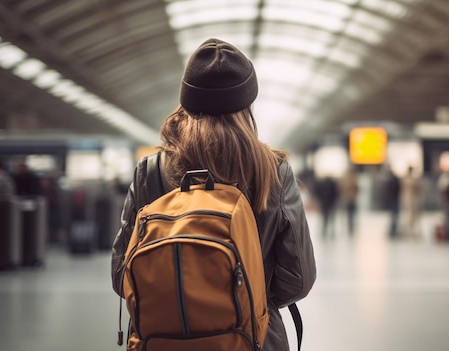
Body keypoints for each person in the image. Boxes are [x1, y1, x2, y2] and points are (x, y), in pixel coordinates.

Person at [110, 38, 316, 351]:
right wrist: (243, 295)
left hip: (163, 340)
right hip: (253, 339)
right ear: (247, 104)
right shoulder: (274, 171)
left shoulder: (150, 172)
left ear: (187, 102)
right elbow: (297, 279)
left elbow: (121, 275)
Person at [400, 165, 422, 239]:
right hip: (408, 200)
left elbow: (418, 189)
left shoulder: (413, 178)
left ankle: (412, 231)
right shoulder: (407, 178)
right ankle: (407, 232)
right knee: (408, 216)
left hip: (413, 200)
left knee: (414, 216)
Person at [338, 168, 359, 236]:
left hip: (350, 200)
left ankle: (350, 227)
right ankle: (349, 227)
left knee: (350, 215)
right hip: (348, 200)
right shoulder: (350, 182)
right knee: (349, 215)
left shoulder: (350, 182)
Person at [383, 166, 401, 238]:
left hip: (394, 200)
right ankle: (392, 231)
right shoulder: (393, 180)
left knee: (394, 217)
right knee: (394, 216)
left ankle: (393, 231)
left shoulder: (393, 180)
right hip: (393, 200)